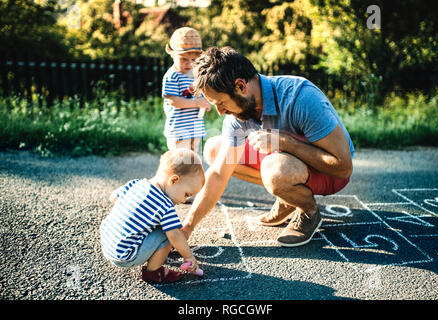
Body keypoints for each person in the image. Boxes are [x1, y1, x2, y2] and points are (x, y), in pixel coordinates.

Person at [181, 46, 354, 247]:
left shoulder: (300, 97)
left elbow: (343, 168)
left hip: (328, 173)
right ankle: (288, 195)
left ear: (240, 86)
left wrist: (284, 142)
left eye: (221, 103)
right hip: (285, 162)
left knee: (274, 170)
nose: (220, 112)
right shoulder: (239, 113)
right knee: (215, 149)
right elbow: (219, 175)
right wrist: (186, 228)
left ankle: (308, 211)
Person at [100, 149, 205, 284]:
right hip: (125, 256)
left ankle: (153, 250)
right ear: (173, 180)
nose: (184, 200)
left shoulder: (136, 183)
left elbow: (113, 197)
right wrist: (189, 256)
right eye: (186, 194)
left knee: (160, 226)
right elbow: (175, 235)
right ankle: (154, 273)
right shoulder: (165, 205)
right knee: (167, 234)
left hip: (108, 243)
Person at [162, 27, 211, 154]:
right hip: (179, 131)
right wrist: (196, 103)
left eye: (194, 60)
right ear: (173, 55)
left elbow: (201, 94)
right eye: (184, 59)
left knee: (195, 161)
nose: (189, 64)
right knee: (182, 162)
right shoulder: (172, 76)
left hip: (196, 128)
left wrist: (205, 102)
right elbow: (173, 101)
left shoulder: (195, 75)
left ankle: (194, 175)